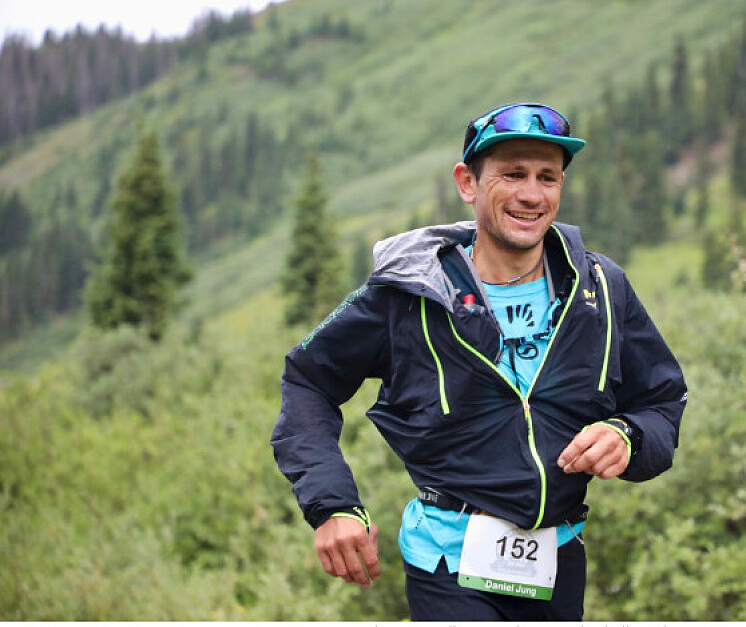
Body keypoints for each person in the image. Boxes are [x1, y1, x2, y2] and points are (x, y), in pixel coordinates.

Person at [271, 102, 688, 621]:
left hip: (557, 561)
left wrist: (629, 435)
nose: (531, 194)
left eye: (547, 177)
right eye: (512, 174)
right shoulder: (410, 294)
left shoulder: (601, 289)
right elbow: (308, 380)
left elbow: (661, 401)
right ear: (468, 183)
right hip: (448, 564)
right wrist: (331, 504)